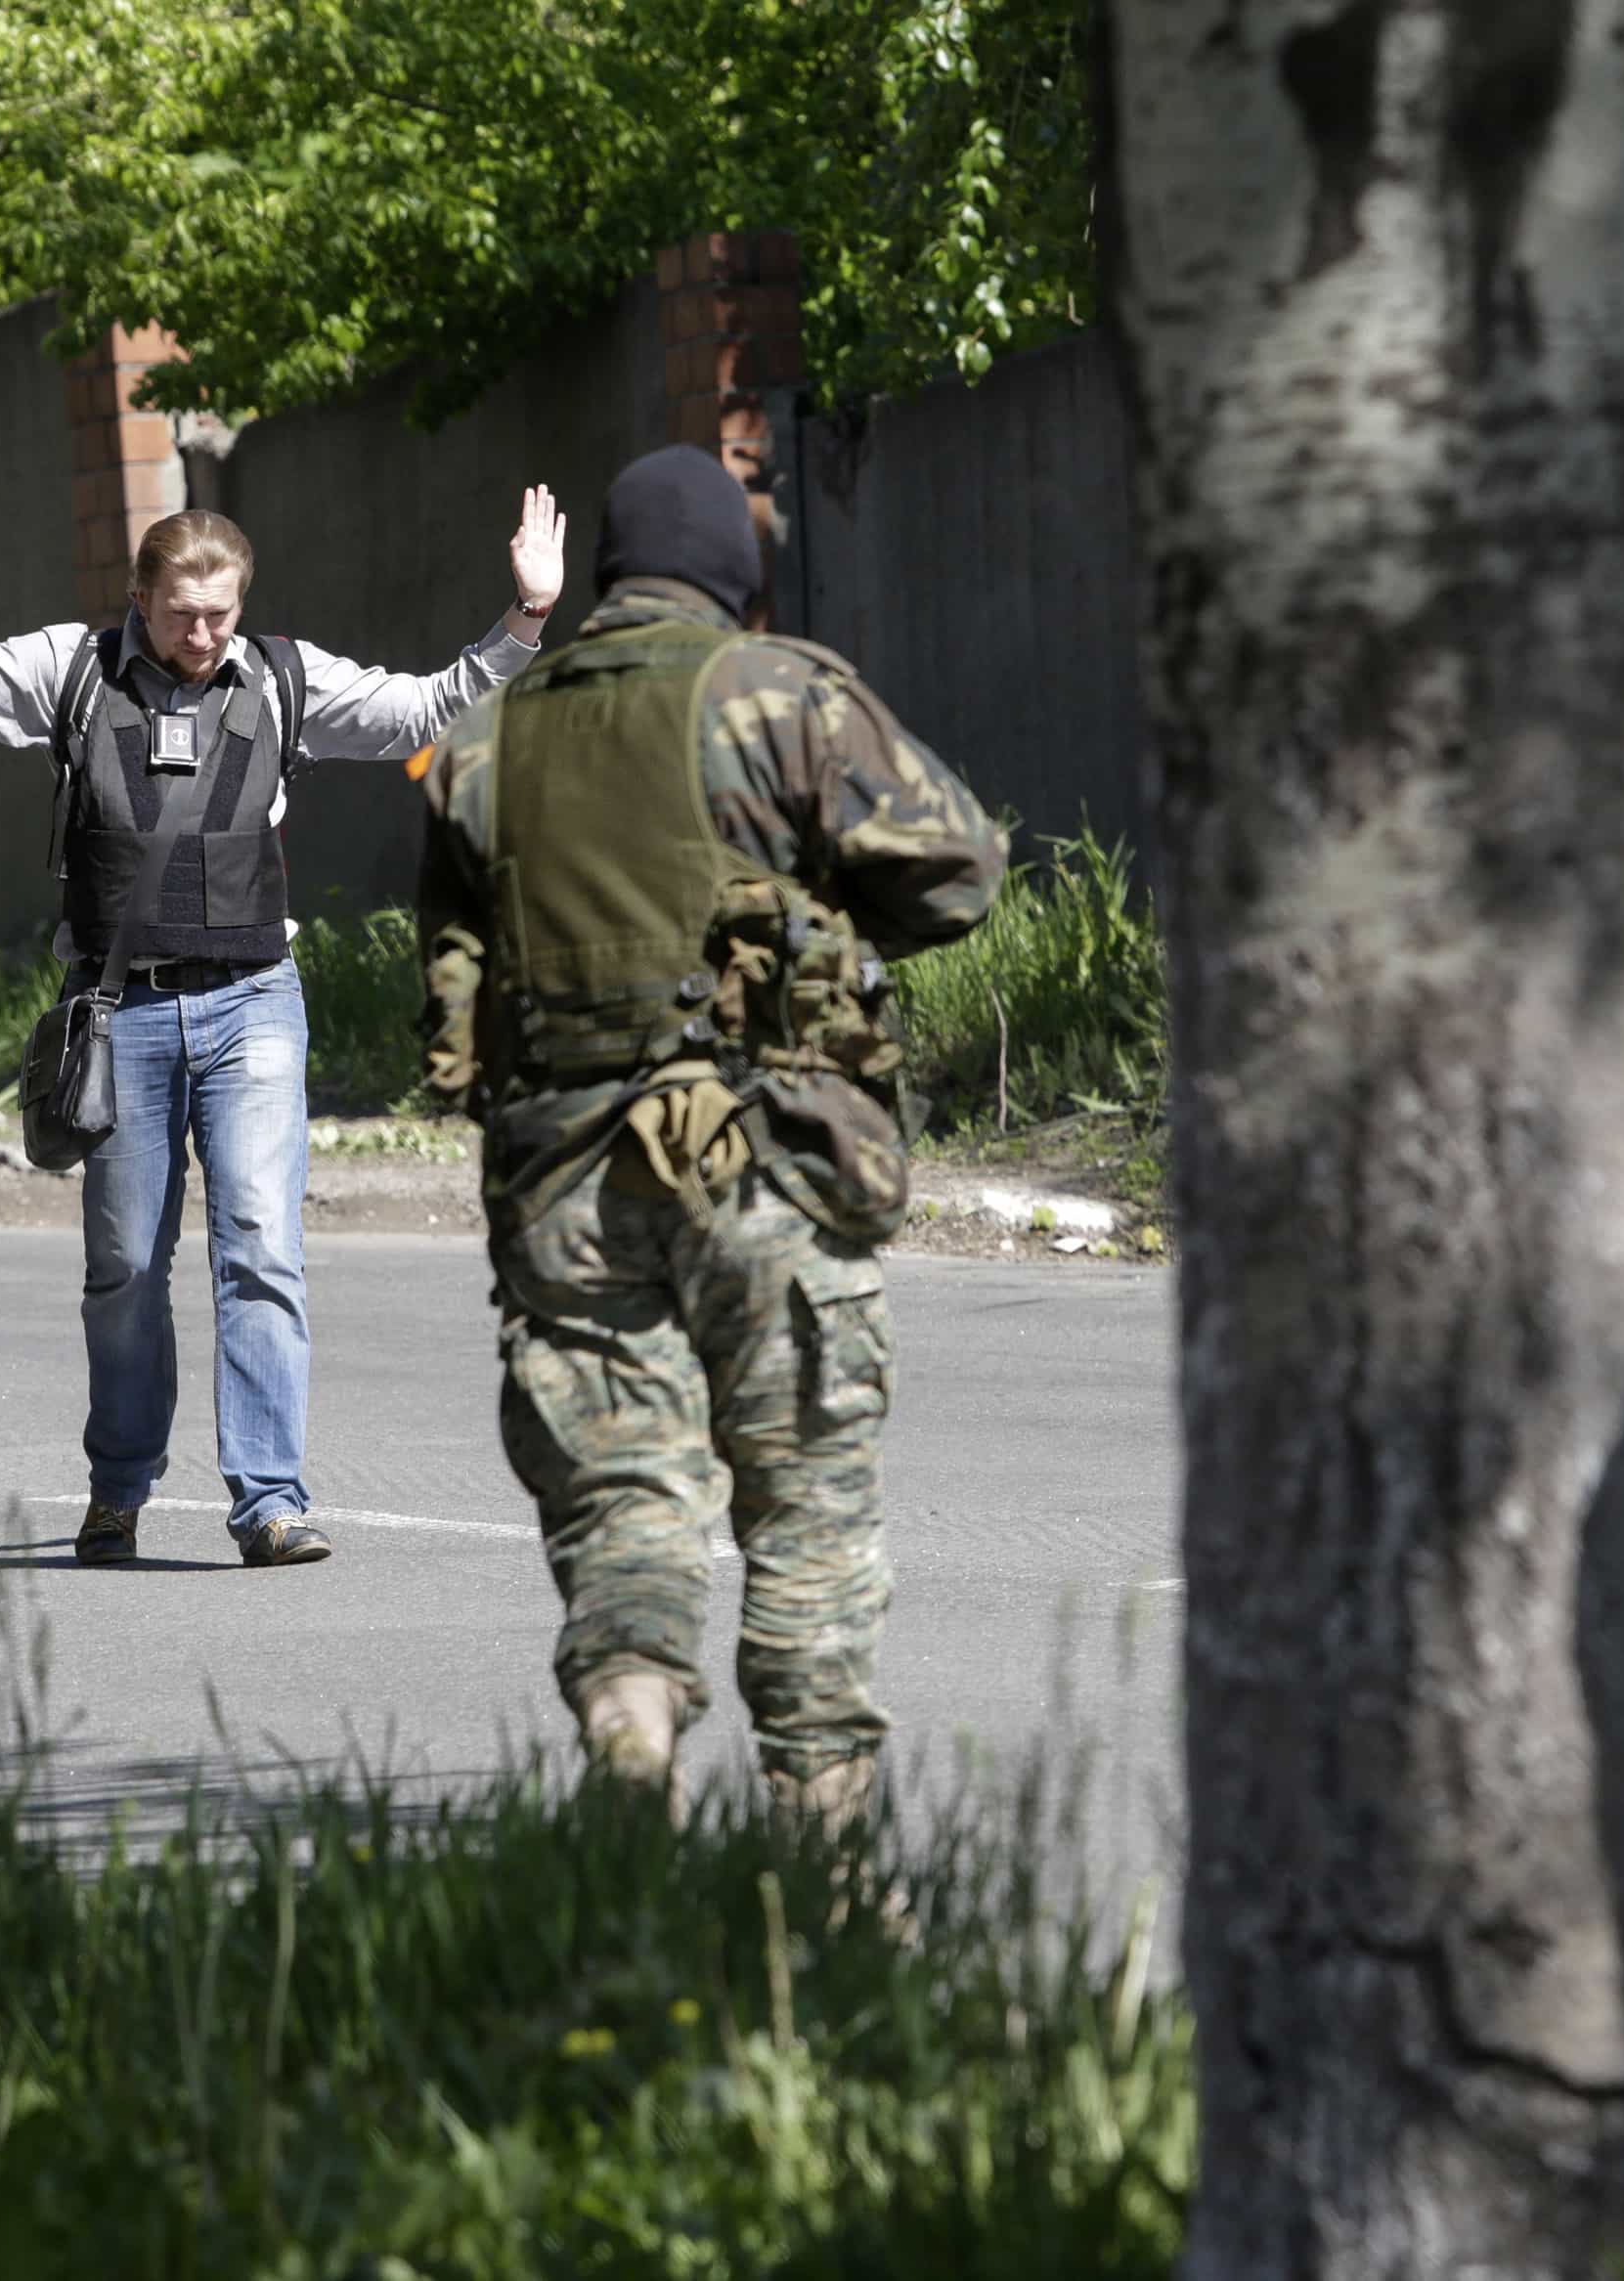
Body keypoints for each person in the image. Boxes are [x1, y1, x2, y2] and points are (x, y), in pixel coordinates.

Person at [0, 481, 567, 1570]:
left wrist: (523, 617)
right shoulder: (71, 669)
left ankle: (270, 1500)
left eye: (220, 612)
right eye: (181, 611)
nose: (201, 633)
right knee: (125, 1272)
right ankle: (120, 1482)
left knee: (262, 1248)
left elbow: (422, 710)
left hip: (254, 1003)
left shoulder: (283, 675)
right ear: (137, 594)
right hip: (120, 1012)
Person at [414, 445, 1003, 1820]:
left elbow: (449, 975)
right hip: (767, 1162)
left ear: (613, 570)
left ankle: (630, 1736)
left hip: (563, 1178)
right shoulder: (780, 691)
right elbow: (961, 869)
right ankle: (826, 1857)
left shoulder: (490, 735)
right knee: (803, 1508)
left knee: (622, 1496)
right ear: (734, 581)